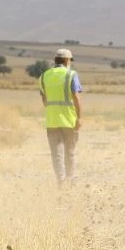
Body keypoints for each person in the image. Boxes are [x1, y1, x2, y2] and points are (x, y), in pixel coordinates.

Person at [40, 48, 83, 187]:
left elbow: (45, 100)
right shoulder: (71, 74)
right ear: (66, 60)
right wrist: (79, 118)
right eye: (70, 60)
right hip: (69, 120)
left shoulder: (44, 76)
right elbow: (76, 97)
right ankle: (70, 180)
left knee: (56, 154)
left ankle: (61, 182)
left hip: (52, 120)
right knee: (69, 152)